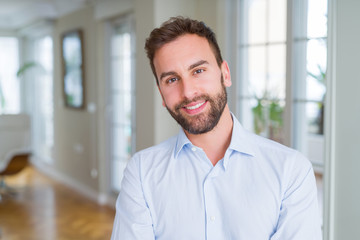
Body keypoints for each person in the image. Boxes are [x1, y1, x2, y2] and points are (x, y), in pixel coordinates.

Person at [111, 16, 322, 240]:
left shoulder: (291, 170)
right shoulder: (142, 173)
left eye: (198, 71)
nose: (189, 92)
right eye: (172, 79)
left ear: (225, 74)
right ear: (161, 93)